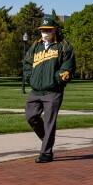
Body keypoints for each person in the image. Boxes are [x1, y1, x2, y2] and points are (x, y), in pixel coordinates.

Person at [23, 15, 76, 163]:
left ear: (54, 30)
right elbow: (27, 63)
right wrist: (30, 78)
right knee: (31, 116)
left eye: (48, 30)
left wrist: (56, 80)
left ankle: (46, 153)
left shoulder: (64, 46)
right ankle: (47, 138)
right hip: (36, 90)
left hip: (53, 91)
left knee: (49, 121)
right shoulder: (36, 45)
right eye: (43, 30)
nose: (45, 33)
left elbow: (68, 67)